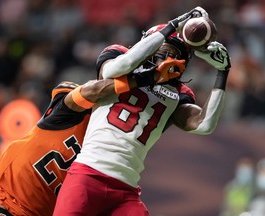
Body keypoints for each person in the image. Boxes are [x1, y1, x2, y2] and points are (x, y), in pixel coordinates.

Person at [53, 6, 232, 216]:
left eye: (175, 53)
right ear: (149, 43)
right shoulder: (119, 56)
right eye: (163, 49)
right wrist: (171, 27)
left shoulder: (180, 93)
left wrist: (222, 72)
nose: (167, 57)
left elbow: (205, 124)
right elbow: (113, 70)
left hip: (126, 189)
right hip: (88, 174)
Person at [0, 67, 167, 216]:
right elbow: (92, 90)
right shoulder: (75, 109)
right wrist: (143, 79)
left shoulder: (111, 140)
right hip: (10, 200)